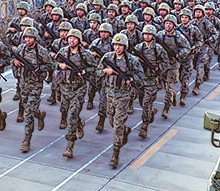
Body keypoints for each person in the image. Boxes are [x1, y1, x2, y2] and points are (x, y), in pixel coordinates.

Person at [96, 33, 145, 169]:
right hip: (110, 94)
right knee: (111, 120)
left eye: (120, 45)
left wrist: (132, 79)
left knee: (117, 124)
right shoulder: (108, 57)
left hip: (123, 95)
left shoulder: (131, 60)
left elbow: (141, 75)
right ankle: (124, 130)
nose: (117, 48)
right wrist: (105, 71)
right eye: (115, 45)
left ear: (125, 46)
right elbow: (97, 71)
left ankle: (115, 153)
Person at [55, 28, 97, 159]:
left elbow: (94, 67)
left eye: (74, 38)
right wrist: (59, 66)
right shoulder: (63, 51)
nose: (71, 41)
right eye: (69, 38)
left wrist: (85, 71)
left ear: (79, 40)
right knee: (65, 110)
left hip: (78, 89)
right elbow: (53, 63)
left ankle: (70, 146)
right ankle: (79, 122)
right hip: (64, 87)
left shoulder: (85, 54)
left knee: (72, 115)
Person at [13, 26, 54, 152]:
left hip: (36, 84)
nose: (27, 40)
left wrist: (40, 68)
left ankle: (27, 140)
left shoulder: (41, 51)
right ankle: (39, 115)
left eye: (30, 38)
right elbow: (12, 58)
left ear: (35, 38)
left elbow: (50, 65)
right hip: (23, 83)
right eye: (26, 37)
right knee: (27, 107)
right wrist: (15, 62)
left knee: (28, 113)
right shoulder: (21, 49)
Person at [134, 24, 169, 139]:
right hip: (140, 79)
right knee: (141, 101)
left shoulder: (158, 49)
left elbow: (166, 63)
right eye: (145, 34)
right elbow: (131, 61)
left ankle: (144, 126)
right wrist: (136, 60)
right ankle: (150, 112)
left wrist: (158, 68)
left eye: (149, 34)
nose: (147, 36)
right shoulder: (138, 48)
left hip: (151, 80)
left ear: (153, 36)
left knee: (146, 103)